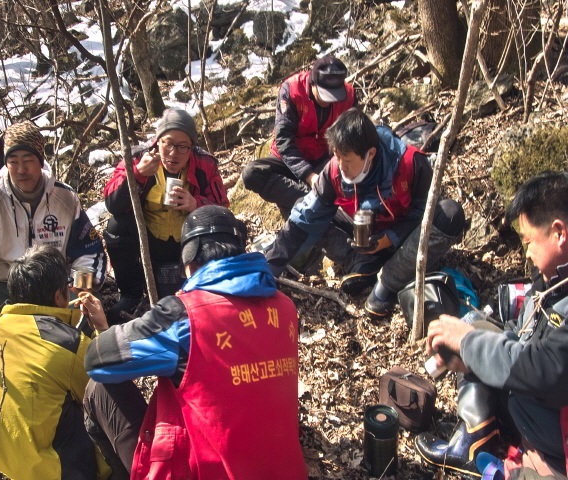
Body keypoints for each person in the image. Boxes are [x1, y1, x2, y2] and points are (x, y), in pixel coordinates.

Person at [81, 205, 307, 479]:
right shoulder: (285, 308)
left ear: (189, 261)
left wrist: (103, 328)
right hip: (284, 470)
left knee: (98, 388)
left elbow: (97, 359)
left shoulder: (184, 316)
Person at [415, 171, 568, 479]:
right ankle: (475, 441)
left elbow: (548, 370)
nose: (526, 252)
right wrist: (469, 349)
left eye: (528, 241)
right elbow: (522, 337)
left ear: (559, 232)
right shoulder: (552, 280)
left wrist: (468, 344)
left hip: (559, 443)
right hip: (536, 419)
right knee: (478, 328)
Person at [0, 120, 107, 370]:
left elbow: (89, 251)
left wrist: (80, 287)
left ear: (41, 161)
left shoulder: (64, 197)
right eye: (13, 161)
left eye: (28, 160)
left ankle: (76, 383)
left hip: (53, 289)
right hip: (2, 287)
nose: (21, 169)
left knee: (89, 325)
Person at [266, 108, 465, 318]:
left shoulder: (410, 163)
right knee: (307, 209)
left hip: (405, 237)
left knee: (449, 213)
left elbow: (424, 211)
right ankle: (364, 262)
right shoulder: (334, 171)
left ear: (370, 153)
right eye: (336, 155)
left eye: (347, 160)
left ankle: (387, 283)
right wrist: (268, 266)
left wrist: (390, 238)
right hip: (364, 236)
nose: (341, 165)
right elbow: (305, 217)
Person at [0, 245, 110, 480]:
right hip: (42, 474)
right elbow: (107, 391)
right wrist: (102, 331)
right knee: (85, 404)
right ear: (59, 296)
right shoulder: (68, 343)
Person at [103, 108, 228, 324]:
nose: (173, 153)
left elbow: (224, 211)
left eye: (182, 147)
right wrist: (138, 175)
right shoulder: (138, 159)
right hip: (148, 241)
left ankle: (207, 289)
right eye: (168, 143)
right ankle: (130, 294)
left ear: (192, 147)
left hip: (187, 242)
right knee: (116, 227)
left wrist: (196, 204)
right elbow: (112, 202)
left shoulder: (204, 164)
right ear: (158, 141)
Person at [242, 55, 357, 218]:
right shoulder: (292, 90)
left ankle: (311, 199)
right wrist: (309, 177)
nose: (329, 101)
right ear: (313, 82)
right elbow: (284, 141)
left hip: (324, 159)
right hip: (288, 161)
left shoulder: (348, 95)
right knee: (252, 173)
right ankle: (312, 197)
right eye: (325, 95)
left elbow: (352, 135)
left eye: (334, 96)